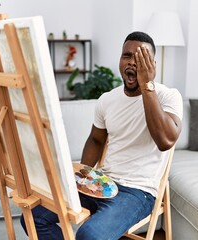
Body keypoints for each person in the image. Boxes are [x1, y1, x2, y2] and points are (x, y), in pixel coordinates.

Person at [20, 31, 183, 240]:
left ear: (152, 64)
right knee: (33, 216)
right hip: (102, 182)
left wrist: (147, 86)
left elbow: (165, 141)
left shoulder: (168, 96)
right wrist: (80, 176)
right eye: (127, 55)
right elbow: (96, 140)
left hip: (137, 191)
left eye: (141, 57)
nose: (132, 62)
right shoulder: (107, 100)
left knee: (89, 235)